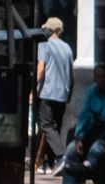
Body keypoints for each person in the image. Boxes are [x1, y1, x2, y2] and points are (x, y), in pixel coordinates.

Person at [36, 17, 74, 175]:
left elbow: (40, 71)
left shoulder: (44, 45)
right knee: (55, 128)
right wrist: (69, 94)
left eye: (45, 28)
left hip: (47, 92)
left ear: (50, 30)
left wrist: (36, 90)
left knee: (46, 125)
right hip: (62, 94)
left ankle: (60, 156)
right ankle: (50, 163)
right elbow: (71, 76)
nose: (44, 31)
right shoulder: (67, 48)